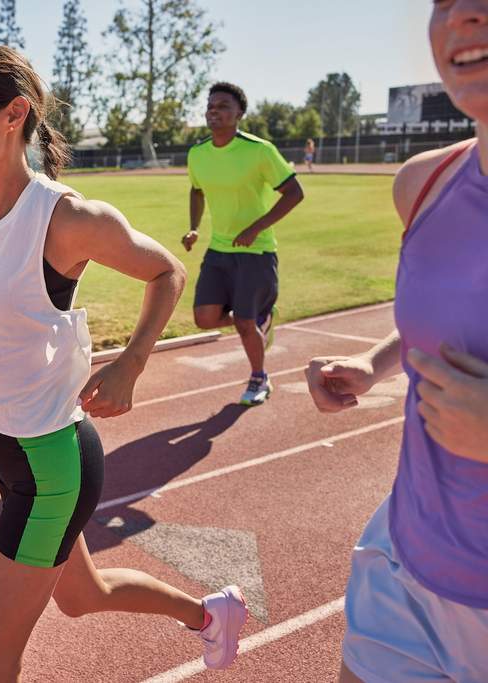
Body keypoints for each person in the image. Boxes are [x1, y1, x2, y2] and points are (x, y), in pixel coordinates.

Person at [0, 46, 248, 681]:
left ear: (13, 115)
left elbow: (167, 270)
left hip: (53, 460)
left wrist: (130, 365)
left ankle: (208, 614)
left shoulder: (65, 218)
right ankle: (210, 614)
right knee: (84, 597)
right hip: (7, 451)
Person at [304, 2, 488, 681]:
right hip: (406, 571)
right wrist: (377, 361)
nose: (464, 13)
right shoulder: (425, 183)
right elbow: (455, 309)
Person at [181, 82, 305, 406]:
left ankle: (258, 378)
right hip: (219, 250)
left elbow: (295, 193)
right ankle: (260, 323)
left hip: (256, 252)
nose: (214, 111)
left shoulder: (260, 151)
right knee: (204, 318)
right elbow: (197, 190)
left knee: (245, 323)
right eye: (210, 105)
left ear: (239, 114)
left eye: (223, 105)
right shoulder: (198, 153)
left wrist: (255, 228)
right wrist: (194, 228)